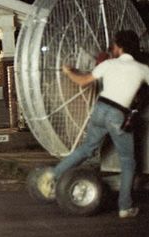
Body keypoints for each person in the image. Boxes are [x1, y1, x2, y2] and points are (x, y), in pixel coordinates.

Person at [43, 30, 149, 218]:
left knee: (87, 148)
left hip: (100, 109)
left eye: (114, 45)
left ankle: (53, 173)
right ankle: (125, 207)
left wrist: (69, 71)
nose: (112, 48)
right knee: (128, 161)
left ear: (120, 47)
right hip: (118, 114)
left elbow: (83, 81)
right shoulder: (142, 69)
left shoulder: (108, 64)